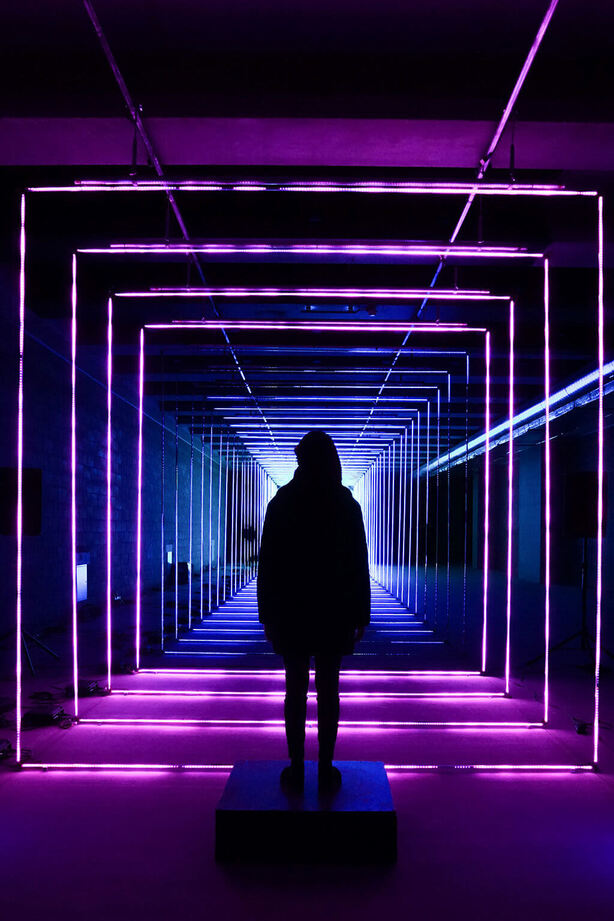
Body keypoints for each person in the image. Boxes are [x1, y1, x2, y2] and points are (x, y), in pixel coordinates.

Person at [257, 430, 370, 793]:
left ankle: (295, 766)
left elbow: (268, 563)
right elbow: (358, 561)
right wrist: (361, 613)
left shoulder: (283, 502)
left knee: (294, 692)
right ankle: (325, 766)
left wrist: (267, 614)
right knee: (329, 691)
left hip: (292, 611)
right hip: (333, 611)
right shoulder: (345, 504)